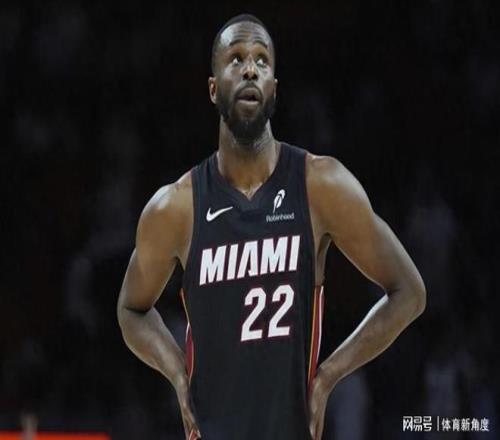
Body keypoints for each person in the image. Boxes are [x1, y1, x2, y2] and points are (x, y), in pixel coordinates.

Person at [117, 14, 426, 440]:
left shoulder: (321, 186)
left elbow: (409, 292)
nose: (250, 69)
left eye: (262, 60)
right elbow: (130, 309)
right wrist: (177, 373)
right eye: (236, 58)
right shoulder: (176, 208)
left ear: (274, 89)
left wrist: (329, 375)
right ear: (213, 89)